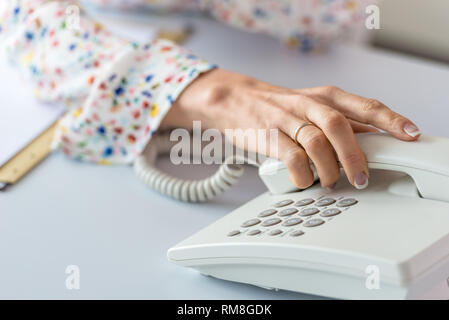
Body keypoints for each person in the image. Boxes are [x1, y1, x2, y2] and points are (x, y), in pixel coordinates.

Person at [0, 0, 421, 191]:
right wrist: (209, 93)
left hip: (304, 45)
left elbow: (333, 15)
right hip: (128, 38)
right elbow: (26, 17)